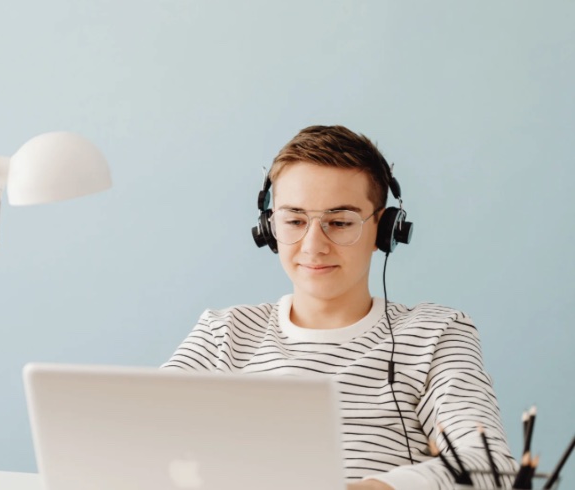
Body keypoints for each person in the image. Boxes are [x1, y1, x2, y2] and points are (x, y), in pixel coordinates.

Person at [161, 126, 518, 490]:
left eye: (340, 222)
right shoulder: (224, 332)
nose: (314, 246)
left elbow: (490, 467)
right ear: (268, 228)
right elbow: (141, 437)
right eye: (295, 220)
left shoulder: (437, 332)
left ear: (385, 230)